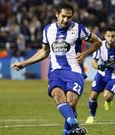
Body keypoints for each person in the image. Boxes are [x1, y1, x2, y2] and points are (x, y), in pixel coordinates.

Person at [11, 2, 102, 135]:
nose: (66, 20)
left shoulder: (79, 28)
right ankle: (75, 125)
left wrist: (85, 53)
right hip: (55, 72)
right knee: (58, 96)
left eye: (69, 17)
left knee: (71, 103)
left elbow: (98, 42)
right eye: (63, 16)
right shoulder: (48, 29)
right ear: (56, 14)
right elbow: (44, 51)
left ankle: (68, 130)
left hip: (74, 71)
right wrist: (24, 63)